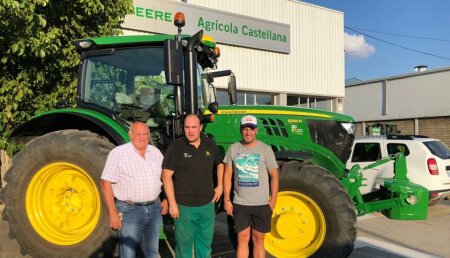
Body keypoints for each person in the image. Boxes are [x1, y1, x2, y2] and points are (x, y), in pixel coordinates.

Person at [100, 122, 167, 258]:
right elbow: (105, 182)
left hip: (154, 208)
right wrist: (113, 213)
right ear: (130, 135)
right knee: (128, 253)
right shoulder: (118, 153)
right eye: (138, 134)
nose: (142, 138)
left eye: (145, 134)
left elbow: (165, 177)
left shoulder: (155, 152)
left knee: (152, 252)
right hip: (130, 210)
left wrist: (165, 198)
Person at [162, 114, 224, 258]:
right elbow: (166, 175)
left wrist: (220, 186)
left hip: (207, 206)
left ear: (200, 128)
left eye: (193, 127)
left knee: (205, 248)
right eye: (187, 127)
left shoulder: (209, 144)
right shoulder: (176, 146)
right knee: (184, 249)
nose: (190, 131)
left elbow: (220, 163)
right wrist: (172, 204)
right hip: (184, 208)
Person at [223, 115, 279, 258]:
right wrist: (227, 200)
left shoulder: (265, 150)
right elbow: (227, 176)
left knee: (259, 240)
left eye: (251, 129)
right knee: (242, 239)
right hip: (240, 203)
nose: (248, 132)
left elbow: (274, 176)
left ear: (256, 130)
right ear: (241, 130)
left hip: (261, 204)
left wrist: (273, 201)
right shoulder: (233, 148)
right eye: (245, 129)